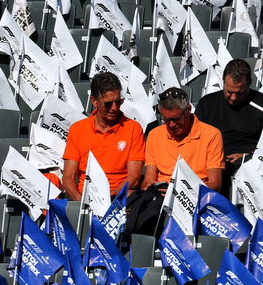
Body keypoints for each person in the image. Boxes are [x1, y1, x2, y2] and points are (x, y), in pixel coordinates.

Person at [61, 71, 145, 200]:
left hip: (119, 197)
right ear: (94, 101)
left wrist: (111, 199)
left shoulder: (133, 128)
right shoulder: (77, 130)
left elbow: (134, 176)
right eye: (108, 103)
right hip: (86, 197)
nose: (114, 108)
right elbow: (68, 177)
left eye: (119, 102)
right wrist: (81, 202)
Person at [195, 59, 263, 172]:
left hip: (254, 162)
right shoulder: (206, 103)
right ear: (223, 81)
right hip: (214, 162)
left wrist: (246, 156)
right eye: (229, 91)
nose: (233, 97)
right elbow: (196, 142)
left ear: (249, 83)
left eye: (239, 93)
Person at [143, 87, 225, 191]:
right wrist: (149, 186)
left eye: (176, 119)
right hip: (160, 196)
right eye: (166, 120)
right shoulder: (154, 135)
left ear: (188, 110)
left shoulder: (211, 135)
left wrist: (180, 191)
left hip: (195, 196)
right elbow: (148, 180)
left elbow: (215, 184)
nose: (171, 125)